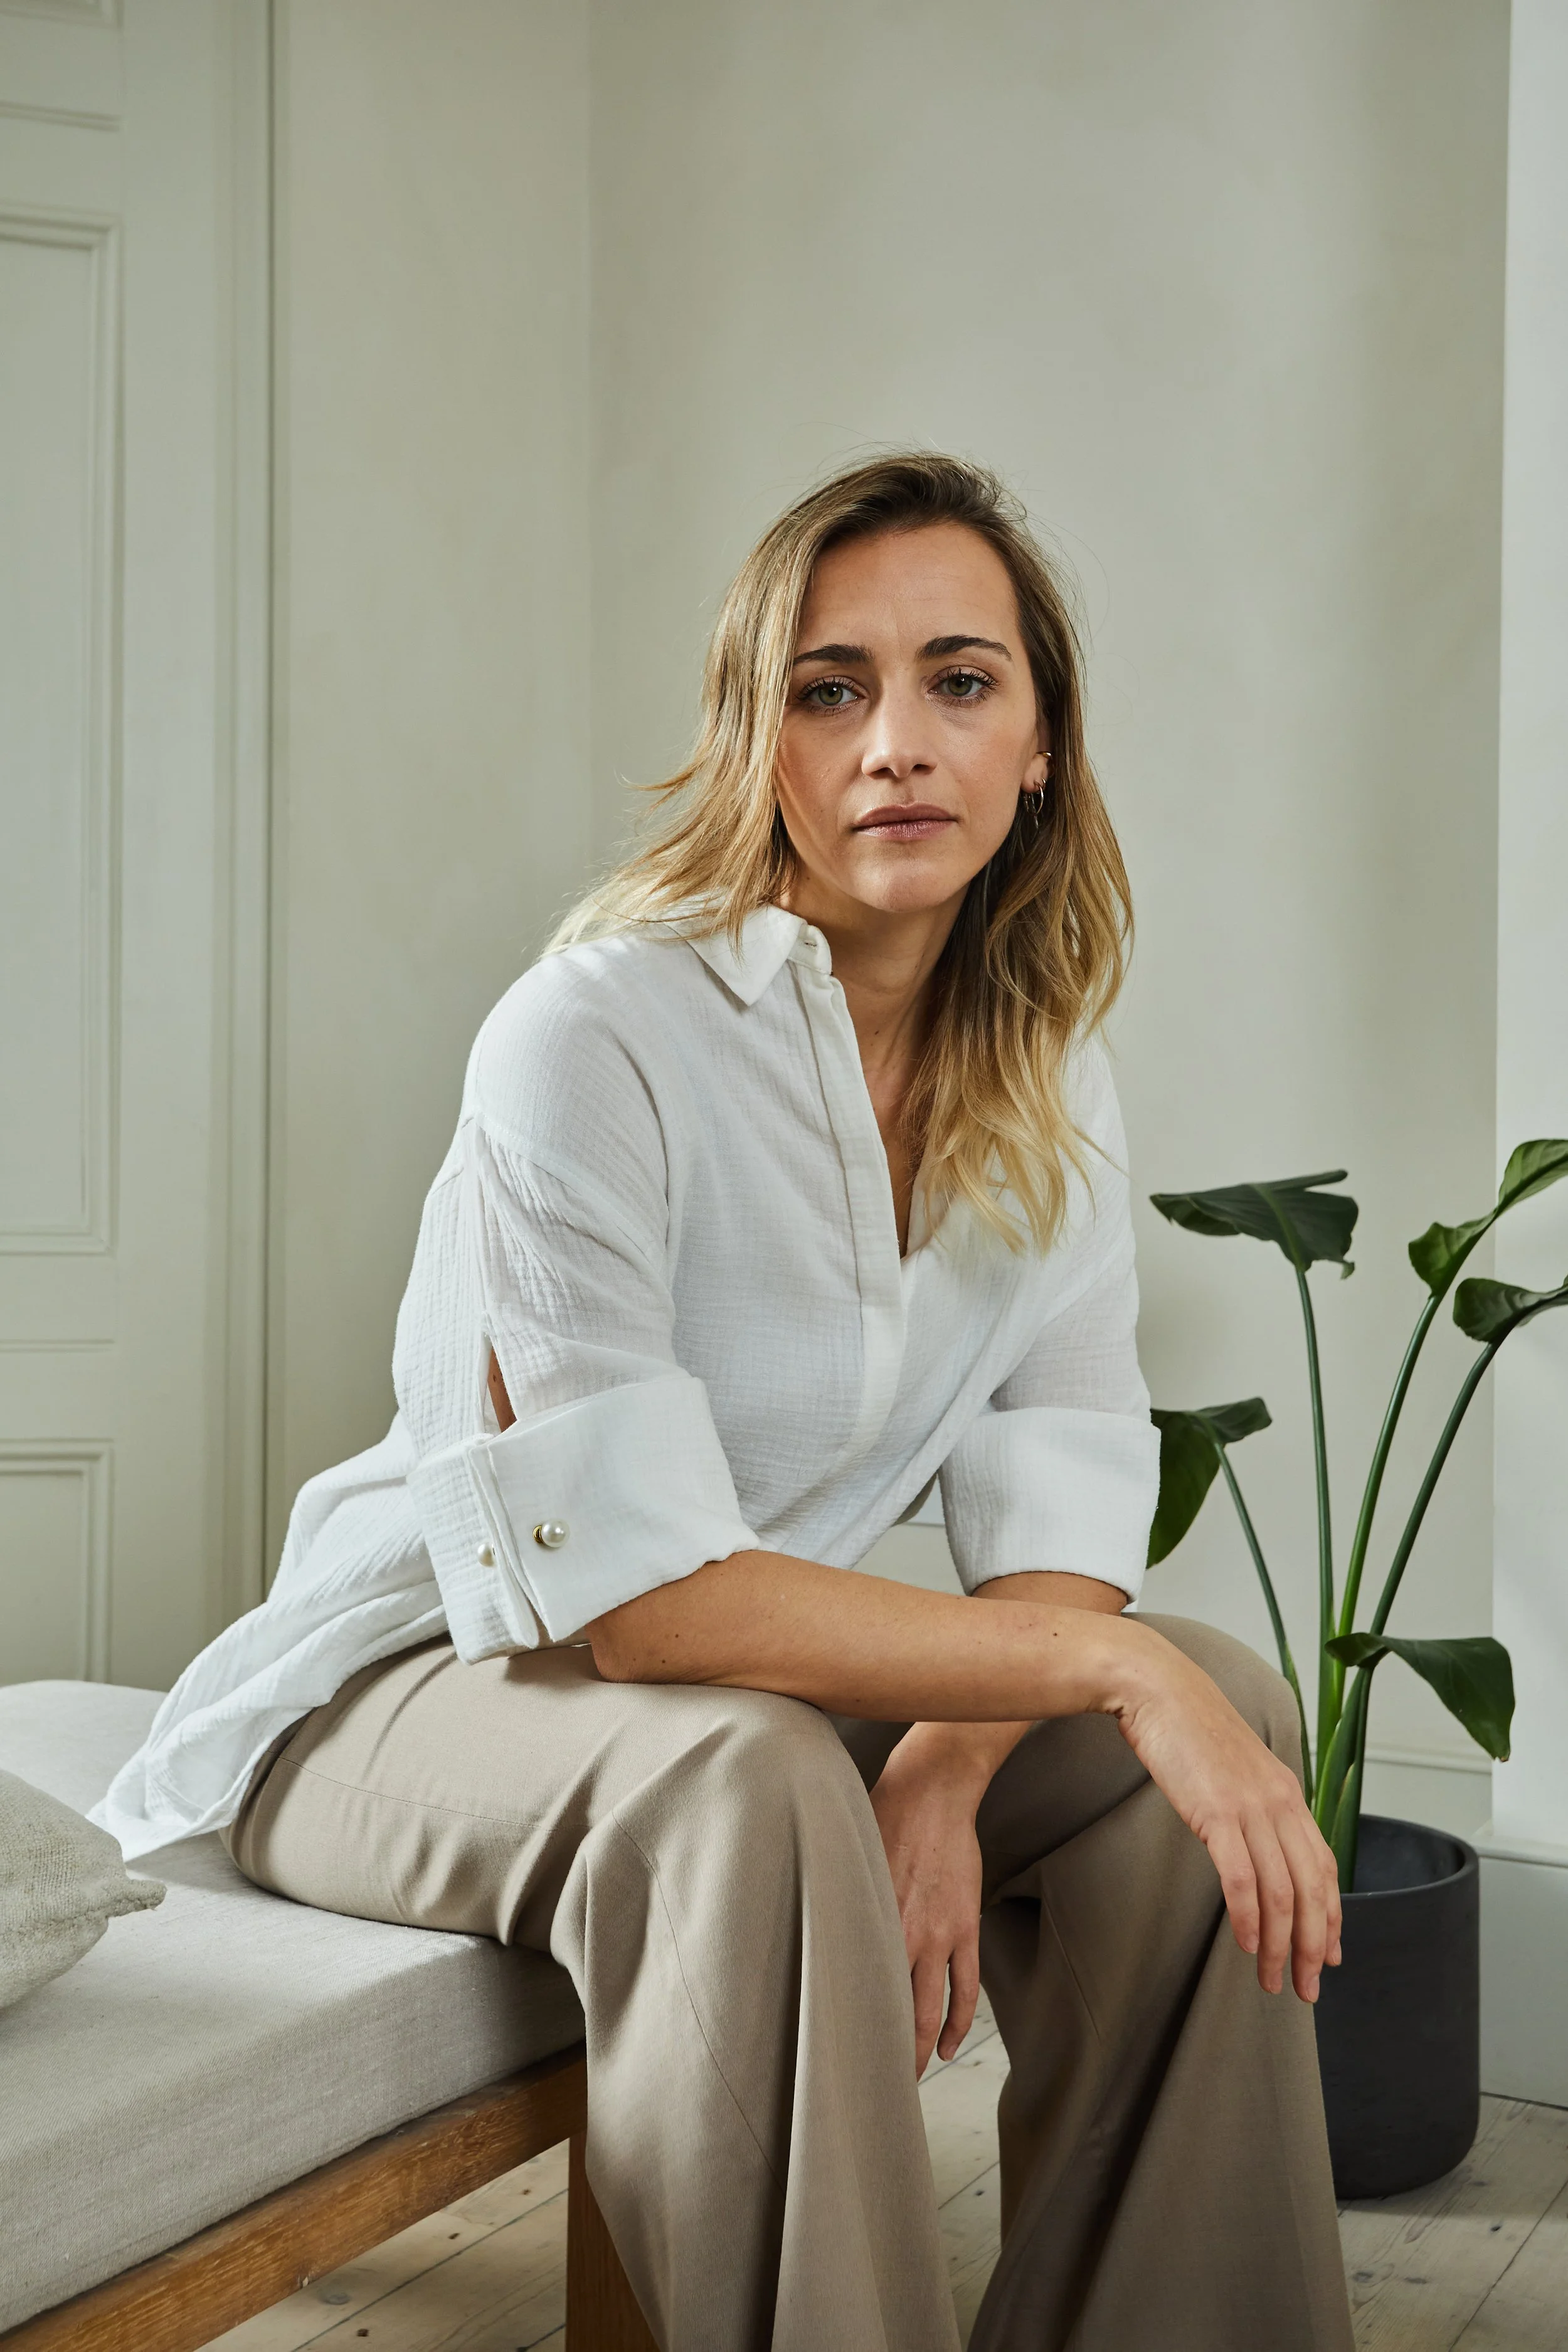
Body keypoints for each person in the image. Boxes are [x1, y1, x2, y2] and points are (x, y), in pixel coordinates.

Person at [94, 453, 1352, 2352]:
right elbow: (646, 1602)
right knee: (773, 1767)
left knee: (1215, 1710)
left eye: (957, 679)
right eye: (826, 688)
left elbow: (1068, 1515)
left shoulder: (1050, 1081)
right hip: (400, 1694)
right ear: (754, 742)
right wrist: (1100, 1680)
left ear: (1041, 743)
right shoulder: (593, 1033)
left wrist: (945, 1756)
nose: (892, 744)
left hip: (726, 1709)